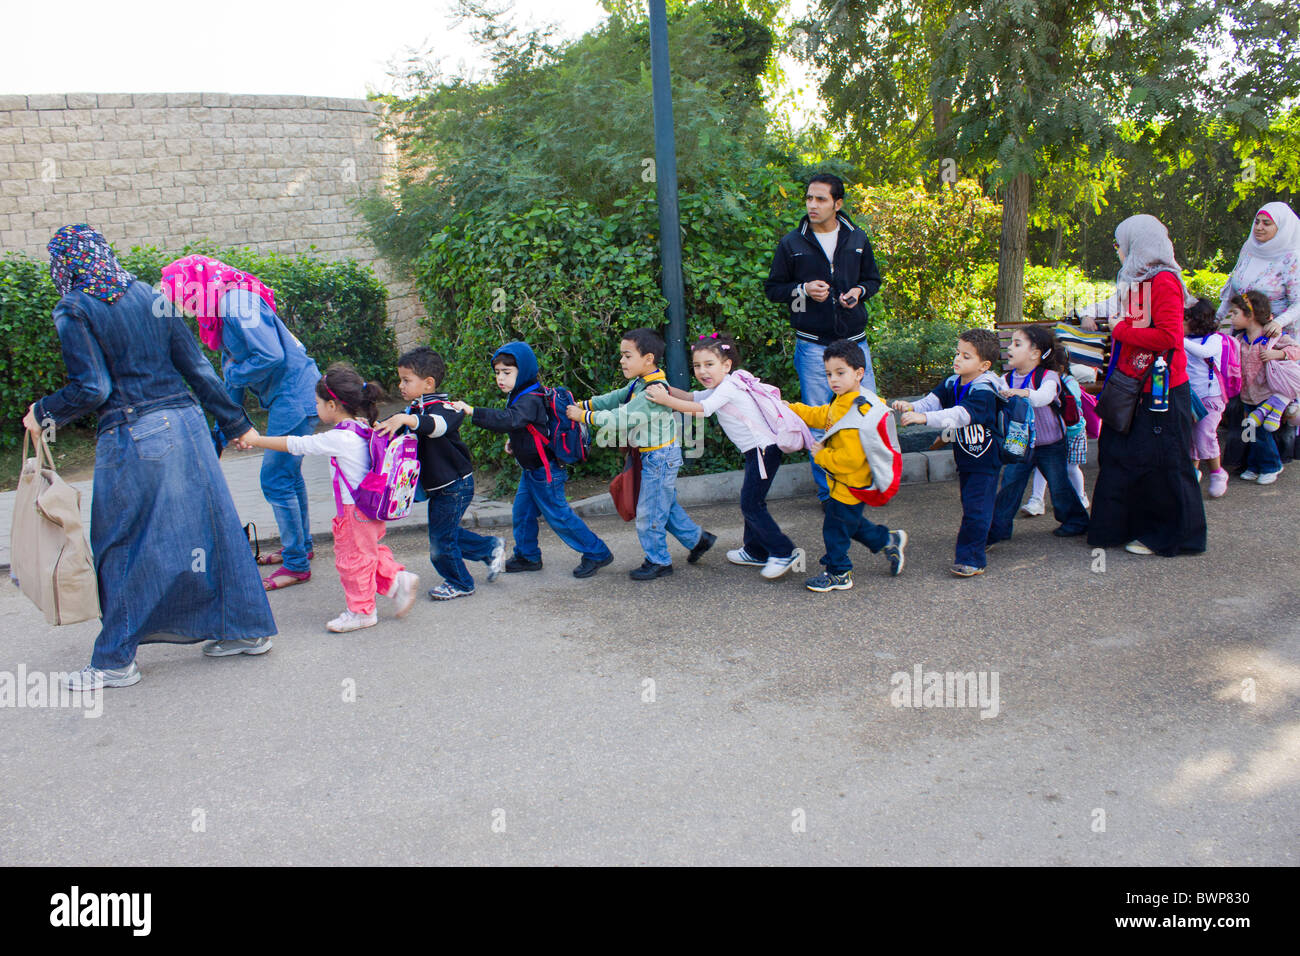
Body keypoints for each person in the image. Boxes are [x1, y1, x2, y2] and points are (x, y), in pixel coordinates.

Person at [23, 225, 275, 690]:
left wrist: (42, 412)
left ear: (66, 264)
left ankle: (114, 661)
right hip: (189, 426)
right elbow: (197, 367)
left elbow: (92, 388)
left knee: (122, 542)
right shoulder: (146, 293)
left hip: (135, 431)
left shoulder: (75, 306)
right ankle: (245, 631)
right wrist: (237, 424)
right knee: (213, 528)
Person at [159, 254, 322, 591]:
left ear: (194, 286)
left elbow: (269, 356)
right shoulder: (221, 308)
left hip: (295, 396)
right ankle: (301, 549)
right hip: (293, 395)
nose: (180, 306)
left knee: (276, 479)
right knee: (287, 476)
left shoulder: (235, 304)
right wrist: (222, 430)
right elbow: (231, 382)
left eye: (179, 296)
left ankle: (296, 564)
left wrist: (233, 372)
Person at [243, 363, 419, 631]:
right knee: (368, 553)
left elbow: (297, 444)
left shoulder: (340, 437)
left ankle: (362, 612)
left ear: (333, 405)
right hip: (369, 508)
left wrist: (257, 440)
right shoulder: (361, 426)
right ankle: (397, 581)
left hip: (354, 512)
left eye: (317, 402)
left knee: (353, 561)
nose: (315, 408)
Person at [1086, 214, 1206, 557]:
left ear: (1137, 243)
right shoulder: (1136, 278)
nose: (1117, 250)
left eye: (1120, 243)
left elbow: (1170, 336)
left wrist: (1120, 329)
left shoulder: (1164, 281)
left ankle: (1169, 536)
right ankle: (1119, 528)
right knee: (1123, 456)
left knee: (1163, 463)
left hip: (1161, 388)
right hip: (1134, 384)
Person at [645, 332, 804, 579]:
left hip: (764, 451)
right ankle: (755, 551)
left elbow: (701, 409)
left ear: (726, 365)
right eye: (697, 366)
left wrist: (665, 399)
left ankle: (783, 551)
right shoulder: (721, 386)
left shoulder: (728, 387)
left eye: (709, 364)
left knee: (751, 503)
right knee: (751, 500)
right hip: (757, 452)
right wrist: (663, 386)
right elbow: (690, 397)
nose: (702, 371)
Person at [764, 172, 883, 502]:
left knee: (867, 415)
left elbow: (873, 279)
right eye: (809, 198)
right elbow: (773, 290)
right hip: (813, 345)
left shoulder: (857, 237)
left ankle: (867, 485)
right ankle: (829, 493)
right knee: (820, 420)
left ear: (837, 203)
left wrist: (860, 291)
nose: (812, 205)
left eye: (820, 199)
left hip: (855, 344)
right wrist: (802, 290)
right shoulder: (792, 243)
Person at [455, 342, 614, 578]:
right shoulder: (522, 393)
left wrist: (472, 411)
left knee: (559, 515)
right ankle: (527, 556)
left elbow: (510, 420)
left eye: (507, 372)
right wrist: (515, 443)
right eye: (498, 372)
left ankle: (597, 552)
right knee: (523, 513)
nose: (501, 378)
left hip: (545, 471)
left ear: (524, 370)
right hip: (532, 469)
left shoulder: (529, 397)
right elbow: (527, 426)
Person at [566, 328, 715, 580]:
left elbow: (621, 418)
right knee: (663, 506)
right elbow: (615, 398)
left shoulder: (653, 391)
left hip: (659, 458)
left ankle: (659, 561)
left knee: (649, 512)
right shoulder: (642, 381)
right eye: (622, 356)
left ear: (648, 359)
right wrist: (586, 404)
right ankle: (698, 540)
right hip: (655, 456)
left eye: (627, 356)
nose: (622, 361)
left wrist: (585, 416)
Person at [376, 347, 505, 601]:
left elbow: (437, 427)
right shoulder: (413, 409)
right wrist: (376, 425)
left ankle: (461, 582)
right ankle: (490, 548)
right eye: (400, 379)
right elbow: (392, 424)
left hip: (455, 485)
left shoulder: (448, 407)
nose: (400, 385)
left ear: (428, 383)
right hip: (440, 487)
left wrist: (406, 419)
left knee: (439, 543)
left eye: (406, 380)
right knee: (444, 532)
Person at [784, 339, 907, 592]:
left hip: (849, 485)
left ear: (859, 373)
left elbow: (849, 460)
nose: (833, 379)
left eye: (840, 373)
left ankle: (839, 572)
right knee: (851, 524)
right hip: (847, 484)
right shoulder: (844, 400)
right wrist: (794, 409)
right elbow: (823, 416)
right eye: (829, 373)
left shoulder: (856, 412)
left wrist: (821, 455)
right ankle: (888, 539)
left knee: (835, 531)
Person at [893, 328, 1003, 577]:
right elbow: (932, 400)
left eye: (966, 356)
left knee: (975, 509)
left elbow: (960, 415)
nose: (958, 359)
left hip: (986, 459)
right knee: (975, 506)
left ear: (984, 365)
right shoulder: (953, 382)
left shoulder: (984, 390)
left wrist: (923, 418)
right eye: (957, 353)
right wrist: (911, 406)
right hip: (967, 457)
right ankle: (993, 533)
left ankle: (972, 560)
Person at [986, 327, 1091, 547]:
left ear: (1035, 353)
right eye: (1011, 343)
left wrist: (1025, 393)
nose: (1010, 348)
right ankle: (998, 528)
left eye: (1017, 344)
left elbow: (1045, 396)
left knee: (1059, 483)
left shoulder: (1048, 376)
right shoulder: (1006, 379)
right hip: (1019, 446)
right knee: (1010, 484)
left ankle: (1076, 521)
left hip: (1050, 443)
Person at [1217, 202, 1300, 462]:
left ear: (1281, 227)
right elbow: (1231, 290)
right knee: (1246, 394)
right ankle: (1246, 456)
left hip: (1277, 337)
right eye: (1257, 222)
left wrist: (1280, 321)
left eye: (1267, 223)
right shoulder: (1249, 250)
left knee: (1272, 394)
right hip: (1245, 333)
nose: (1260, 228)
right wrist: (1216, 320)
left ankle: (1274, 459)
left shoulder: (1292, 256)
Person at [1229, 290, 1300, 485]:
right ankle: (1253, 465)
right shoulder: (1240, 340)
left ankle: (1271, 465)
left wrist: (1278, 355)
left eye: (1235, 313)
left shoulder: (1271, 338)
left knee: (1261, 433)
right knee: (1248, 432)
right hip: (1246, 397)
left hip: (1266, 397)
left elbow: (1296, 349)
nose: (1232, 318)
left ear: (1249, 315)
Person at [1183, 297, 1232, 497]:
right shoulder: (1186, 341)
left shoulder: (1214, 339)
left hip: (1211, 398)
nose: (1182, 324)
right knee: (1191, 437)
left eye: (1186, 320)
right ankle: (1192, 472)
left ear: (1198, 320)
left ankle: (1217, 473)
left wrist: (1177, 338)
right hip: (1190, 396)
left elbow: (1204, 352)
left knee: (1204, 434)